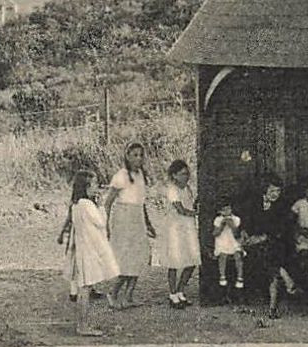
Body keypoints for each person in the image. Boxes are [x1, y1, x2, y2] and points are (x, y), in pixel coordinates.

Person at [59, 170, 119, 337]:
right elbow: (101, 222)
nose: (97, 187)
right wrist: (101, 206)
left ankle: (83, 323)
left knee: (84, 288)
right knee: (85, 289)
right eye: (94, 184)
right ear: (86, 187)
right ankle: (83, 325)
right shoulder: (87, 205)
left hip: (83, 249)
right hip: (89, 251)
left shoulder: (76, 205)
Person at [101, 142, 157, 309]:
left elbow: (141, 203)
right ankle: (113, 293)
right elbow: (108, 203)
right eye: (134, 155)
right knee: (126, 260)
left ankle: (129, 296)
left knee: (138, 257)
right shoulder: (121, 176)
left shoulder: (141, 175)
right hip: (123, 219)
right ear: (127, 156)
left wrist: (148, 223)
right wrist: (106, 225)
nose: (138, 158)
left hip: (137, 218)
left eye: (141, 155)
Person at [240, 174, 296, 318]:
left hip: (277, 241)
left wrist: (261, 238)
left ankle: (272, 307)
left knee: (271, 255)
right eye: (272, 191)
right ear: (264, 190)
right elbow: (246, 222)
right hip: (257, 244)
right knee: (270, 262)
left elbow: (281, 230)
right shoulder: (253, 203)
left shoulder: (282, 206)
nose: (275, 195)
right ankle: (285, 276)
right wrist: (245, 234)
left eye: (278, 191)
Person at [156, 159, 202, 309]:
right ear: (174, 175)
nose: (186, 176)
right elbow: (180, 209)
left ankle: (181, 290)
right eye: (182, 174)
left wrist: (197, 204)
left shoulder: (187, 188)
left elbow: (190, 204)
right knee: (174, 262)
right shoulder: (172, 189)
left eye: (187, 173)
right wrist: (196, 212)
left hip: (188, 227)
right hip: (175, 227)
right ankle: (172, 293)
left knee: (191, 260)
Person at [287, 182, 308, 299]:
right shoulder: (300, 204)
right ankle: (305, 289)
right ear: (305, 193)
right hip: (302, 237)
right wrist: (300, 231)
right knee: (304, 259)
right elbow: (291, 221)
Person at [211, 200, 246, 300]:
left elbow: (237, 234)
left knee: (238, 255)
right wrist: (222, 225)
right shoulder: (218, 220)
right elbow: (215, 233)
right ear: (220, 212)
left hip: (233, 241)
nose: (227, 212)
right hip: (222, 242)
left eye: (228, 209)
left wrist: (231, 225)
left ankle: (240, 278)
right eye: (224, 210)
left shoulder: (236, 219)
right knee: (223, 256)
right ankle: (222, 276)